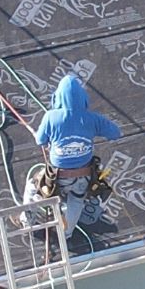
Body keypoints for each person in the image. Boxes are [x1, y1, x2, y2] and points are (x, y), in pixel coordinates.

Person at [28, 73, 122, 231]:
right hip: (84, 176)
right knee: (77, 200)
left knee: (32, 185)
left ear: (57, 97)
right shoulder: (93, 118)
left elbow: (41, 141)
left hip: (56, 176)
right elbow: (115, 133)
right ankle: (67, 233)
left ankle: (26, 219)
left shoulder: (51, 117)